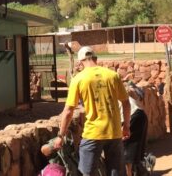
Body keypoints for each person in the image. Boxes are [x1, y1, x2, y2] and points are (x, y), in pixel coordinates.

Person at [54, 46, 131, 176]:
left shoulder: (78, 79)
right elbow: (126, 103)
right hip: (115, 131)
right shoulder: (113, 76)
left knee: (86, 172)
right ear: (95, 58)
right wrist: (126, 126)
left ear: (80, 62)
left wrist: (61, 136)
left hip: (93, 133)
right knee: (116, 172)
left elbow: (68, 110)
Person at [121, 82, 149, 176]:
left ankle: (129, 173)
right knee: (136, 148)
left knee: (126, 147)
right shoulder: (121, 93)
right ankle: (139, 171)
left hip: (133, 116)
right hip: (141, 114)